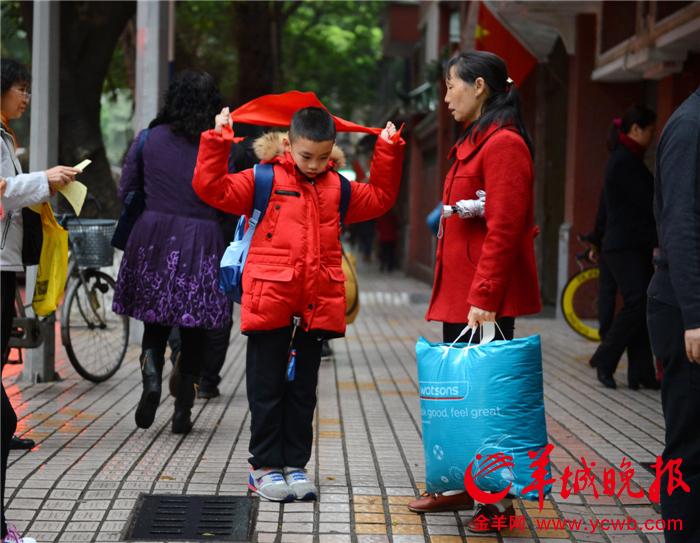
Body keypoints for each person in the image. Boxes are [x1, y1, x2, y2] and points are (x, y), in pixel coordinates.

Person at [193, 106, 403, 502]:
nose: (314, 165)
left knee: (303, 391)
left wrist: (388, 150)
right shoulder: (263, 178)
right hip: (271, 301)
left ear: (333, 150)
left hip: (315, 305)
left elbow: (380, 198)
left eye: (324, 157)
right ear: (288, 143)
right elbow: (212, 189)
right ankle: (264, 467)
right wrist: (217, 140)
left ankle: (295, 465)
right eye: (306, 156)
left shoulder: (337, 188)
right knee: (266, 388)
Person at [409, 51, 541, 533]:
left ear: (480, 86)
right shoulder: (480, 139)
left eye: (450, 86)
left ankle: (498, 506)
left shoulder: (504, 143)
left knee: (487, 400)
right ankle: (465, 488)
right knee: (464, 398)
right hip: (466, 291)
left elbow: (505, 227)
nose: (445, 97)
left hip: (483, 298)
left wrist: (485, 294)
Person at [112, 70, 244, 434]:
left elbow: (127, 190)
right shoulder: (220, 146)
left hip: (152, 235)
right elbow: (228, 200)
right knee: (196, 329)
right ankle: (183, 410)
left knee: (153, 321)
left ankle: (152, 381)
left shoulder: (148, 139)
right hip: (202, 239)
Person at [1, 58, 79, 543]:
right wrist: (41, 181)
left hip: (6, 265)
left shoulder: (6, 137)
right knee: (3, 417)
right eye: (20, 89)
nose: (26, 98)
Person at [647, 85, 700, 543]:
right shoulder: (690, 127)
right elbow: (681, 226)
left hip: (689, 305)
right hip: (684, 309)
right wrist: (695, 318)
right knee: (689, 445)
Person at [589, 106, 659, 390]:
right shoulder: (623, 161)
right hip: (624, 247)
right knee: (638, 303)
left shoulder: (628, 159)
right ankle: (605, 359)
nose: (652, 137)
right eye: (650, 131)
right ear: (635, 130)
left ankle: (640, 373)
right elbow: (647, 201)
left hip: (632, 246)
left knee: (642, 305)